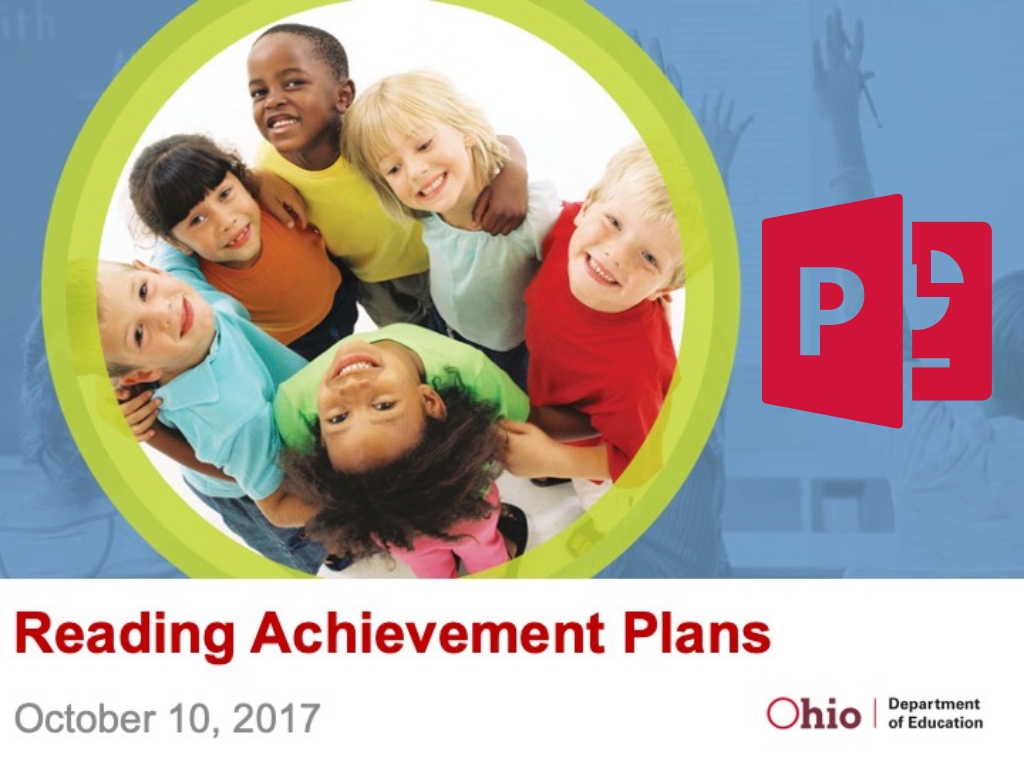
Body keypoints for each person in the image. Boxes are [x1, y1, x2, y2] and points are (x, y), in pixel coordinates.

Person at [246, 23, 530, 328]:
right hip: (375, 284)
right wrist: (254, 179)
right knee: (421, 353)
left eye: (293, 83)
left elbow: (489, 139)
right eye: (259, 92)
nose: (272, 100)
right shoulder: (267, 164)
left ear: (343, 96)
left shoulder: (371, 133)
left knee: (479, 331)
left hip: (442, 257)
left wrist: (514, 172)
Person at [90, 260, 327, 574]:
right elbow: (277, 502)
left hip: (246, 451)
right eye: (138, 334)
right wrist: (357, 505)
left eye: (144, 291)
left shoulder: (190, 303)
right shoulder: (230, 418)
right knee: (305, 549)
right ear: (143, 373)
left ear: (149, 269)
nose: (164, 313)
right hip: (251, 489)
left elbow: (173, 252)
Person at [342, 70, 561, 389]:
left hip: (512, 351)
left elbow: (583, 256)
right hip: (446, 328)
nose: (416, 171)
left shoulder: (530, 215)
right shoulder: (428, 213)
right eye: (393, 168)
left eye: (424, 145)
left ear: (464, 130)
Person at [502, 141, 692, 488]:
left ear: (664, 289)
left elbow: (647, 462)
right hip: (551, 381)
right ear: (587, 205)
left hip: (606, 440)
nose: (615, 254)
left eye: (650, 258)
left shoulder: (633, 373)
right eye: (615, 222)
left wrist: (554, 459)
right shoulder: (564, 229)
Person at [274, 324, 532, 578]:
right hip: (469, 507)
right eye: (384, 406)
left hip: (391, 531)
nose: (351, 386)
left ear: (322, 443)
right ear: (430, 401)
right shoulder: (469, 367)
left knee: (427, 566)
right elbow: (519, 425)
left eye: (339, 419)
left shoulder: (290, 405)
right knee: (484, 549)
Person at [129, 133, 357, 362]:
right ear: (176, 243)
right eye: (197, 220)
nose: (226, 221)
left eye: (225, 194)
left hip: (343, 290)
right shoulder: (203, 287)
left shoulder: (271, 199)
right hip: (300, 347)